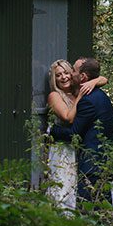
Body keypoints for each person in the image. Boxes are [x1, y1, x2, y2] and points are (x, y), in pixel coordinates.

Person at [44, 59, 105, 214]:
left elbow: (104, 79)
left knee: (78, 187)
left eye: (66, 73)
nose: (63, 77)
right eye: (58, 75)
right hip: (62, 149)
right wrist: (80, 97)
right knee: (63, 186)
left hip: (78, 148)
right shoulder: (55, 96)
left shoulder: (78, 91)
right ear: (54, 79)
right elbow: (68, 117)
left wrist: (96, 81)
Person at [70, 56, 113, 226]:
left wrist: (50, 130)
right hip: (102, 159)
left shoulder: (87, 100)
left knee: (89, 211)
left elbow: (74, 132)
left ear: (84, 77)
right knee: (103, 209)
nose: (70, 74)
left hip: (92, 163)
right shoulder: (101, 95)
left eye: (74, 70)